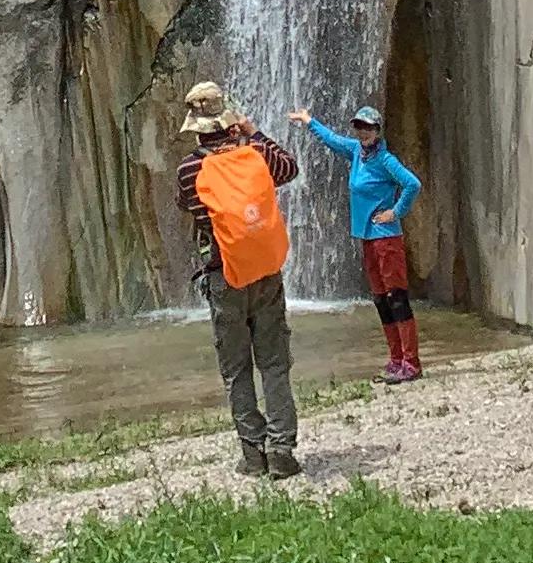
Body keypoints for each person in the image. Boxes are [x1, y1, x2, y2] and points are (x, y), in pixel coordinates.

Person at [176, 78, 302, 478]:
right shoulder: (257, 158)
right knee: (275, 364)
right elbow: (290, 167)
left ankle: (253, 454)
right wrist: (254, 133)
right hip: (265, 271)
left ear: (196, 127)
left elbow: (189, 207)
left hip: (223, 275)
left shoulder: (190, 169)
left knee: (237, 368)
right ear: (229, 123)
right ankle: (282, 449)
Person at [293, 97, 426, 381]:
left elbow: (412, 184)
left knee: (397, 297)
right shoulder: (356, 152)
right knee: (380, 299)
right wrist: (309, 122)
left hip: (386, 238)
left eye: (368, 127)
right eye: (359, 127)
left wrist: (396, 211)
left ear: (378, 130)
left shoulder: (386, 160)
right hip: (367, 236)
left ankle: (411, 363)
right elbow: (332, 140)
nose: (363, 132)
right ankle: (395, 359)